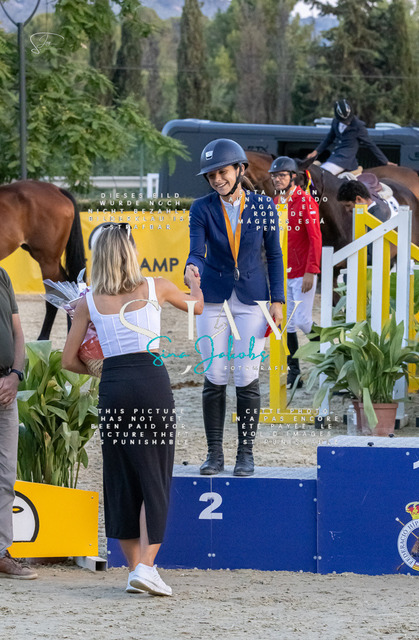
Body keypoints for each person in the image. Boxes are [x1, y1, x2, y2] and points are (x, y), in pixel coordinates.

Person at [62, 223, 203, 597]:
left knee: (121, 479)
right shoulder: (157, 286)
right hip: (151, 383)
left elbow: (68, 360)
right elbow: (198, 307)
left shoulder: (87, 303)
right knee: (154, 476)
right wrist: (195, 283)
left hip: (114, 386)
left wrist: (102, 370)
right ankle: (146, 567)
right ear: (131, 254)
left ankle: (134, 570)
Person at [184, 138, 285, 477]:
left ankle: (246, 453)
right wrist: (191, 267)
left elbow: (274, 255)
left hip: (253, 299)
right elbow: (197, 251)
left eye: (222, 172)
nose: (217, 179)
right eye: (211, 175)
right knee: (214, 375)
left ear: (240, 169)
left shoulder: (264, 205)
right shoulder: (201, 208)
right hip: (213, 298)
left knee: (246, 375)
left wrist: (278, 301)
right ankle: (214, 454)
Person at [269, 156, 322, 388]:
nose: (277, 179)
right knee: (287, 324)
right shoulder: (275, 202)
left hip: (302, 272)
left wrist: (311, 270)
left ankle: (330, 352)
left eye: (281, 175)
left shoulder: (306, 201)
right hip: (283, 274)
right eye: (274, 176)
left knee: (302, 320)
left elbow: (315, 238)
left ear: (293, 177)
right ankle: (295, 374)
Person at [0, 268, 37, 579]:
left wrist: (15, 375)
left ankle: (1, 552)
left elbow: (18, 333)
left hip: (5, 389)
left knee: (5, 475)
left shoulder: (2, 275)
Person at [306, 99, 392, 175]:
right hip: (334, 157)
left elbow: (371, 144)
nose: (347, 122)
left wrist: (385, 161)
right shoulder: (335, 122)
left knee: (322, 174)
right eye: (344, 121)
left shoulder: (358, 126)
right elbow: (329, 139)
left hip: (345, 160)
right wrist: (316, 151)